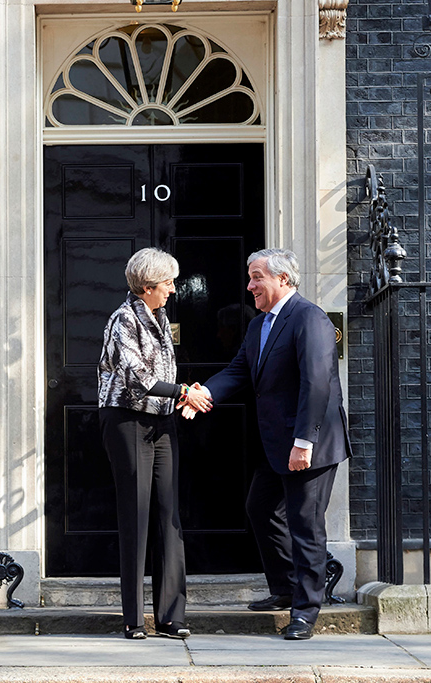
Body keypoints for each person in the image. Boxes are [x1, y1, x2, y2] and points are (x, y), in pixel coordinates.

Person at [186, 248, 350, 641]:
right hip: (279, 444)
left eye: (257, 277)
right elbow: (238, 371)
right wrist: (201, 394)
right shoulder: (260, 325)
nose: (250, 285)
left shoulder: (309, 318)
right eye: (250, 276)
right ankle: (284, 588)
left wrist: (303, 442)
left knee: (305, 526)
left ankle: (307, 610)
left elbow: (317, 383)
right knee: (260, 509)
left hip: (308, 443)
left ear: (283, 279)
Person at [98, 247, 211, 640]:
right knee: (136, 513)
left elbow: (163, 375)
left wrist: (184, 393)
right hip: (127, 420)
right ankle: (133, 619)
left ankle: (171, 616)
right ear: (147, 286)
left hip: (161, 421)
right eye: (167, 283)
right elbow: (138, 377)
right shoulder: (123, 319)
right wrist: (184, 391)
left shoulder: (160, 317)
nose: (173, 290)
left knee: (169, 514)